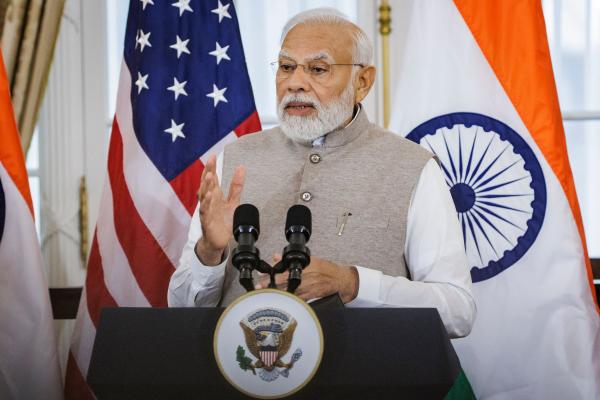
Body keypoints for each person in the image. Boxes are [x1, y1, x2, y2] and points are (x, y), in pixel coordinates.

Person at [168, 8, 476, 338]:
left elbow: (457, 311)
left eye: (318, 69)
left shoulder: (414, 167)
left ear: (363, 82)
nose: (295, 83)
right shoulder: (236, 158)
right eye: (286, 67)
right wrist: (210, 253)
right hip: (241, 378)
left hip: (366, 381)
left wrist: (353, 284)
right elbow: (182, 309)